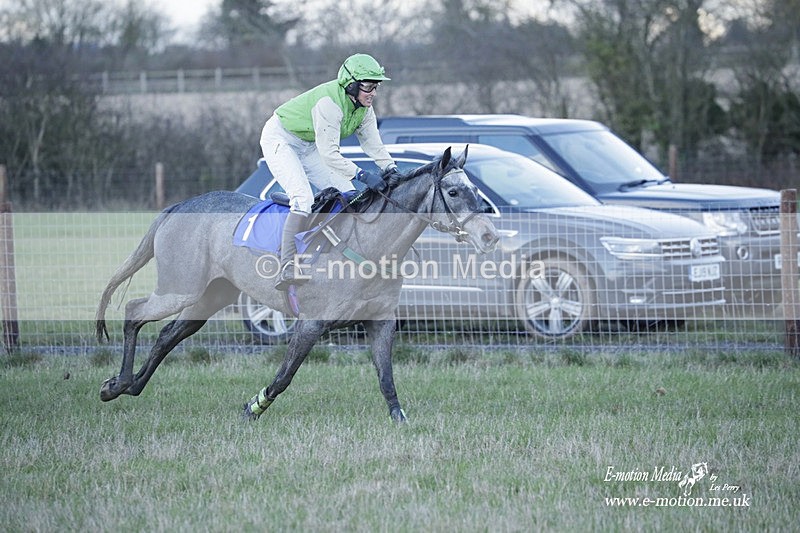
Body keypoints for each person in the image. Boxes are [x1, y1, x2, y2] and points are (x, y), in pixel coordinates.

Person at [260, 53, 398, 291]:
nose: (373, 92)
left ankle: (335, 254)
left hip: (307, 145)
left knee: (349, 194)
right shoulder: (329, 104)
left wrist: (391, 168)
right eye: (368, 86)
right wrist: (363, 175)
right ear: (351, 85)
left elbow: (373, 144)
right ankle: (288, 264)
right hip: (280, 138)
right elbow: (330, 155)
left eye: (376, 86)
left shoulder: (364, 109)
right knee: (303, 198)